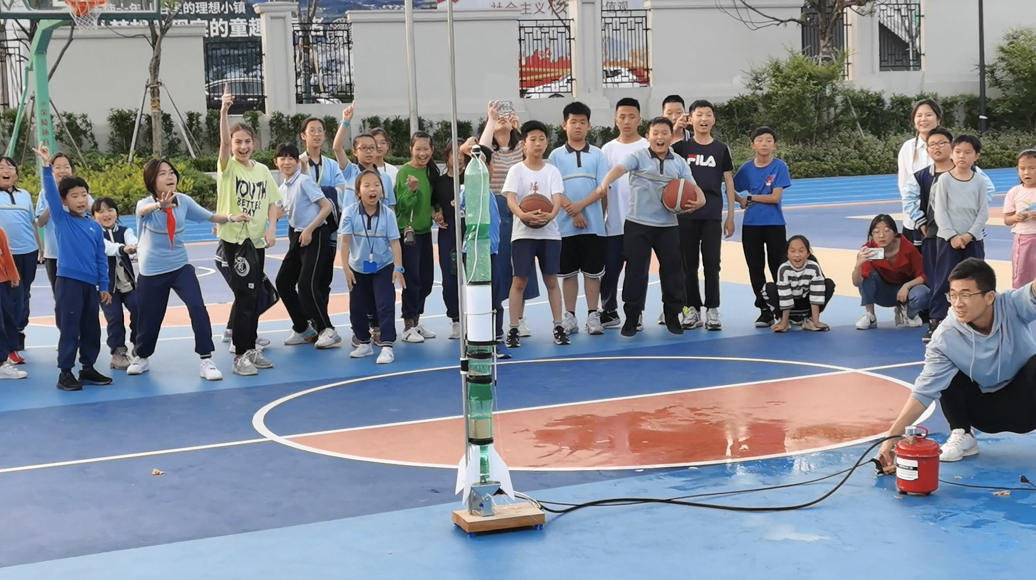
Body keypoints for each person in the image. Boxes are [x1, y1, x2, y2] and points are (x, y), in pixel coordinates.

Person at [877, 259, 1036, 468]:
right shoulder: (945, 336)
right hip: (984, 413)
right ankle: (962, 432)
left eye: (966, 295)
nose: (958, 303)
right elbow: (924, 391)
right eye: (953, 295)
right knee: (944, 370)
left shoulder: (1012, 304)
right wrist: (892, 437)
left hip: (1028, 406)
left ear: (990, 297)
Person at [129, 159, 247, 380]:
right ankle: (142, 356)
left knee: (197, 307)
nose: (170, 176)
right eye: (162, 173)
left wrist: (232, 218)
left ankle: (206, 359)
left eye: (171, 172)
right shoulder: (144, 205)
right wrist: (159, 206)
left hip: (180, 267)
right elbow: (143, 210)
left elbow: (210, 216)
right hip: (152, 272)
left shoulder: (183, 201)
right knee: (149, 318)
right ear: (151, 180)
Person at [594, 117, 705, 337]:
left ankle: (672, 315)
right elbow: (619, 169)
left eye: (665, 133)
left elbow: (694, 187)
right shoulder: (638, 156)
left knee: (672, 272)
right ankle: (632, 317)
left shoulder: (679, 162)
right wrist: (605, 182)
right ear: (648, 137)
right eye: (655, 133)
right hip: (638, 224)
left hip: (668, 226)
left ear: (671, 137)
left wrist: (701, 200)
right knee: (635, 272)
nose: (660, 137)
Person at [34, 145, 111, 391]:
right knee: (69, 329)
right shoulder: (61, 219)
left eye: (83, 195)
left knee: (91, 329)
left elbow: (100, 257)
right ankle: (65, 373)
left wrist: (104, 285)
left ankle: (87, 368)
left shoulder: (94, 226)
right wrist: (47, 167)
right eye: (74, 196)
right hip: (68, 283)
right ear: (64, 201)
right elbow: (50, 192)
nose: (80, 200)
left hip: (90, 286)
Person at [216, 86, 282, 374]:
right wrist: (224, 111)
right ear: (231, 145)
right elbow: (222, 143)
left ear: (254, 142)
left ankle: (251, 347)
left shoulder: (262, 170)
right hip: (235, 242)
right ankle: (240, 355)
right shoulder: (228, 168)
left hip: (257, 242)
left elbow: (273, 202)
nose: (242, 147)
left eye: (247, 141)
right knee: (244, 297)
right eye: (237, 142)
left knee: (254, 297)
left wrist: (272, 228)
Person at [669, 99, 736, 331]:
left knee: (712, 264)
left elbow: (729, 183)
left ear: (714, 120)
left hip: (711, 216)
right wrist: (675, 130)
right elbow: (659, 149)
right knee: (688, 266)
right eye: (699, 114)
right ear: (691, 119)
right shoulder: (681, 148)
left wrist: (730, 216)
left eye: (708, 114)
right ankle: (692, 310)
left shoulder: (721, 149)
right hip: (685, 215)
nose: (704, 119)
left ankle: (712, 309)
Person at [504, 120, 568, 347]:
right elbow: (510, 198)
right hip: (523, 234)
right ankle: (513, 327)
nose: (538, 143)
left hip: (549, 234)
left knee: (551, 280)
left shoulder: (552, 171)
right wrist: (523, 214)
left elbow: (557, 198)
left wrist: (551, 215)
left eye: (542, 139)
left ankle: (559, 326)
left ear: (547, 143)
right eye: (533, 139)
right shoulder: (516, 170)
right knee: (519, 280)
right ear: (524, 144)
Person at [479, 100, 540, 337]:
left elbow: (534, 153)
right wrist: (491, 119)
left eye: (506, 114)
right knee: (499, 265)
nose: (502, 118)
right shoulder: (490, 150)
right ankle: (496, 317)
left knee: (521, 265)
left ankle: (519, 318)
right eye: (498, 116)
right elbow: (481, 153)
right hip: (495, 210)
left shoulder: (519, 150)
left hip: (520, 211)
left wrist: (521, 128)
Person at [548, 101, 609, 336]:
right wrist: (572, 211)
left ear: (589, 126)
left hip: (594, 226)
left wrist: (579, 207)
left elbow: (602, 188)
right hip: (564, 227)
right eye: (573, 122)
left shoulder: (598, 154)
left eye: (582, 122)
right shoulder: (555, 156)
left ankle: (593, 315)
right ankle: (570, 316)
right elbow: (554, 189)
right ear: (564, 125)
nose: (578, 126)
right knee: (569, 273)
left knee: (593, 274)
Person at [273, 143, 339, 349]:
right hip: (298, 236)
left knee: (307, 285)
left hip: (316, 234)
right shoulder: (282, 189)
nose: (286, 162)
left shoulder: (304, 181)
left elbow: (326, 207)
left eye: (290, 158)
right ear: (276, 162)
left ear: (297, 161)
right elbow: (274, 212)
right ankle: (303, 328)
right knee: (283, 282)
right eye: (282, 158)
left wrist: (310, 229)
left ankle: (327, 329)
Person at [928, 134, 990, 342]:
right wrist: (952, 236)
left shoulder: (979, 181)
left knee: (976, 280)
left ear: (976, 156)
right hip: (948, 241)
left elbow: (983, 211)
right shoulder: (944, 180)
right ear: (952, 153)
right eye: (958, 151)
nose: (962, 156)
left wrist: (970, 234)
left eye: (967, 152)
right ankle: (937, 320)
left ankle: (978, 320)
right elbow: (940, 211)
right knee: (945, 279)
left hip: (973, 241)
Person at [341, 169, 405, 365]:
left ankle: (387, 346)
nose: (373, 189)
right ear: (358, 191)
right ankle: (364, 343)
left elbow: (395, 243)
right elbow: (345, 242)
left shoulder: (388, 214)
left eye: (377, 185)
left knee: (385, 305)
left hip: (383, 266)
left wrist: (398, 268)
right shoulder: (349, 212)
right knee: (357, 307)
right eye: (367, 185)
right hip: (357, 267)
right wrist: (346, 269)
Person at [734, 127, 792, 328]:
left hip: (775, 224)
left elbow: (775, 197)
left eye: (769, 140)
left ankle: (782, 308)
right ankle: (764, 310)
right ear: (752, 145)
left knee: (779, 267)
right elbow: (730, 187)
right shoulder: (747, 169)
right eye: (760, 140)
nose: (764, 143)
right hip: (751, 224)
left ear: (775, 145)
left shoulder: (779, 166)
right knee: (755, 268)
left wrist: (751, 197)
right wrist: (741, 200)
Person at [458, 140, 509, 358]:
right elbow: (462, 203)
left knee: (495, 297)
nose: (494, 168)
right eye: (492, 163)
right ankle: (477, 339)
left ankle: (495, 338)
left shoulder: (489, 192)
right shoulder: (472, 190)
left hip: (491, 251)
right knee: (479, 297)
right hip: (476, 253)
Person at [599, 98, 647, 330]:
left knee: (638, 272)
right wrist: (601, 219)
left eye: (631, 116)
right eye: (622, 117)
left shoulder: (648, 147)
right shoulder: (607, 150)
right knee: (610, 270)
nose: (627, 121)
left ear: (639, 119)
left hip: (642, 224)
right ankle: (609, 311)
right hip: (615, 223)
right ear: (615, 120)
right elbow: (603, 188)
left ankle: (635, 313)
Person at [394, 131, 440, 343]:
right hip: (409, 233)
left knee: (426, 280)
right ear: (410, 149)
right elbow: (401, 206)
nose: (422, 153)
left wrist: (437, 212)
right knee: (411, 280)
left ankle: (416, 319)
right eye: (418, 149)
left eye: (426, 149)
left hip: (425, 232)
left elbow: (433, 200)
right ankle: (408, 324)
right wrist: (411, 191)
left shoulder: (431, 171)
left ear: (432, 150)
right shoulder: (405, 172)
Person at [852, 214, 928, 330]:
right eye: (876, 232)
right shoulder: (868, 250)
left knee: (923, 293)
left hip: (905, 294)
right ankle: (870, 315)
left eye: (887, 230)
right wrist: (858, 265)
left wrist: (907, 286)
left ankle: (910, 314)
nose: (881, 235)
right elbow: (857, 283)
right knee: (866, 274)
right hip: (882, 293)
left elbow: (924, 274)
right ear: (872, 235)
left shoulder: (908, 247)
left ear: (895, 233)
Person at [92, 197, 140, 370]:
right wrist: (123, 249)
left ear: (116, 213)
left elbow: (132, 239)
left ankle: (138, 345)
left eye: (110, 210)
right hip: (106, 287)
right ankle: (118, 352)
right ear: (94, 216)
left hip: (127, 284)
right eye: (101, 211)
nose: (106, 214)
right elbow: (106, 247)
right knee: (114, 318)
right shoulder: (94, 233)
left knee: (139, 310)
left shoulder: (125, 230)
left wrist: (133, 245)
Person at [0, 155, 41, 355]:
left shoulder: (24, 195)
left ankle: (19, 330)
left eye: (10, 167)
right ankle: (9, 337)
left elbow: (33, 223)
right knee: (9, 296)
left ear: (16, 175)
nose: (5, 171)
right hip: (6, 255)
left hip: (29, 251)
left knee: (24, 293)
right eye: (1, 167)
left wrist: (40, 247)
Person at [762, 235, 834, 332]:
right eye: (792, 251)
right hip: (787, 307)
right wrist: (783, 323)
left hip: (805, 306)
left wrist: (816, 322)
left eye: (801, 251)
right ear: (787, 254)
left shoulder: (814, 267)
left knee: (828, 284)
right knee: (768, 288)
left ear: (808, 253)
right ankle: (783, 320)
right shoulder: (784, 269)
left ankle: (810, 320)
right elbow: (785, 297)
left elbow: (816, 295)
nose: (797, 255)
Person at [36, 152, 85, 293]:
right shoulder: (44, 193)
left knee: (80, 293)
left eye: (66, 167)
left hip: (77, 252)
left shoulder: (80, 192)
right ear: (51, 171)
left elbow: (93, 211)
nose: (62, 170)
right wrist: (53, 202)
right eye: (57, 167)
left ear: (72, 170)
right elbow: (40, 223)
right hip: (54, 254)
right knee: (59, 295)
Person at [432, 139, 465, 339]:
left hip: (471, 229)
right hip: (449, 231)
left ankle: (477, 317)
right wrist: (436, 214)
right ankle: (456, 319)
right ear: (447, 156)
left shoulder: (473, 178)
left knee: (476, 276)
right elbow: (432, 204)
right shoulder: (439, 182)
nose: (459, 157)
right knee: (450, 277)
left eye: (463, 153)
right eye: (455, 153)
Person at [898, 99, 942, 247]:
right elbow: (904, 186)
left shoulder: (951, 146)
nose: (923, 119)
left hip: (945, 221)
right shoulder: (908, 147)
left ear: (938, 119)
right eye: (919, 115)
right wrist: (917, 216)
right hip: (913, 221)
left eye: (928, 115)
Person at [1002, 150, 1036, 289]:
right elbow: (1007, 219)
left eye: (1032, 168)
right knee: (1021, 274)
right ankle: (1020, 299)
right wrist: (1015, 217)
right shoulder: (1014, 192)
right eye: (1022, 168)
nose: (1027, 172)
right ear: (1017, 170)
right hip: (1023, 239)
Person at [0, 225, 27, 379]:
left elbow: (6, 253)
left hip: (2, 281)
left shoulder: (0, 231)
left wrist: (13, 274)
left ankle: (2, 363)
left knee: (6, 320)